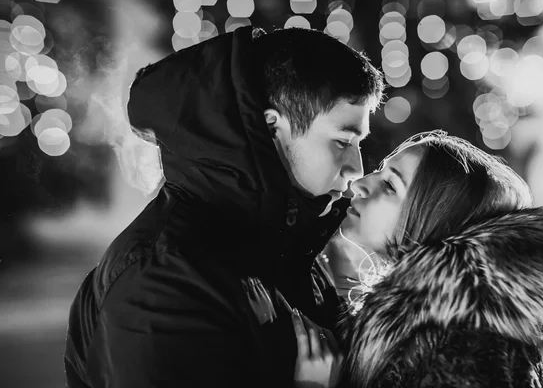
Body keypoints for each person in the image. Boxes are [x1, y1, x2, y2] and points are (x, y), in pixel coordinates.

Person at [64, 25, 384, 388]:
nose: (356, 167)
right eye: (343, 141)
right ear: (272, 128)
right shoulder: (164, 282)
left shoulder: (281, 244)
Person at [292, 130, 543, 388]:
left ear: (433, 220)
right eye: (381, 170)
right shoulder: (424, 323)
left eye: (389, 185)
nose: (359, 183)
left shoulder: (465, 345)